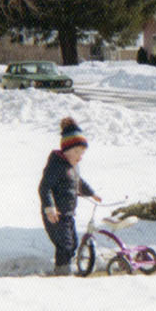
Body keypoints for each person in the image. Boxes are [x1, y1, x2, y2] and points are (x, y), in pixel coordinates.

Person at [39, 117, 101, 275]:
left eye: (82, 153)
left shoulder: (73, 166)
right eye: (76, 152)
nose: (79, 156)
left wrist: (92, 193)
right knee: (65, 246)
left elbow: (78, 182)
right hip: (55, 215)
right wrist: (50, 207)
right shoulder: (56, 165)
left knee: (72, 244)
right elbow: (44, 187)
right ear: (65, 150)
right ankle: (62, 275)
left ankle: (64, 271)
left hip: (67, 214)